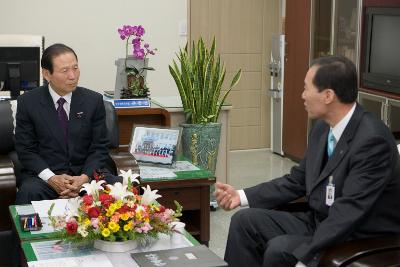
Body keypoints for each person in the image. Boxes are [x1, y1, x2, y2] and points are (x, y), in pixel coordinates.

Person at [215, 55, 400, 267]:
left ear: (328, 95)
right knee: (245, 222)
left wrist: (305, 257)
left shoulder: (372, 141)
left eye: (306, 88)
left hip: (357, 234)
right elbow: (299, 180)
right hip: (321, 221)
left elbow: (349, 212)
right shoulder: (323, 127)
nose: (302, 96)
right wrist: (241, 196)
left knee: (279, 249)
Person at [15, 43, 121, 204]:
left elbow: (99, 147)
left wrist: (84, 178)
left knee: (119, 189)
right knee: (30, 192)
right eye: (65, 71)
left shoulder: (93, 101)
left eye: (75, 68)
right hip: (46, 177)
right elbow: (26, 150)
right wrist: (51, 178)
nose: (73, 76)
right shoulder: (28, 102)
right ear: (46, 74)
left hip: (86, 174)